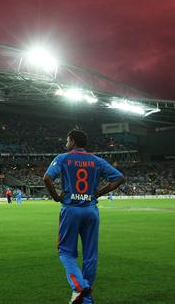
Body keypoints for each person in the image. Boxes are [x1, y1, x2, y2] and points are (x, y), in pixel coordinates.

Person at [43, 129, 125, 304]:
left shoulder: (63, 158)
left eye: (67, 139)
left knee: (65, 252)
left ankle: (80, 287)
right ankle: (86, 300)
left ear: (72, 141)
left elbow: (47, 178)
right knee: (90, 255)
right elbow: (119, 178)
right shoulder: (96, 160)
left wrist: (57, 197)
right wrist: (97, 194)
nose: (66, 143)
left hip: (71, 209)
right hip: (90, 210)